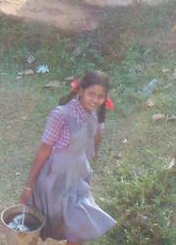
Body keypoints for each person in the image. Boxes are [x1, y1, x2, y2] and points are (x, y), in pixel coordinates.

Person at [20, 70, 116, 244]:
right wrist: (28, 187)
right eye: (91, 94)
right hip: (53, 180)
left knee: (79, 228)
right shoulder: (61, 115)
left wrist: (88, 166)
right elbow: (44, 150)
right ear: (81, 91)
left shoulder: (95, 116)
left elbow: (93, 143)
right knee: (39, 224)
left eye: (100, 96)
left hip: (77, 180)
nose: (95, 100)